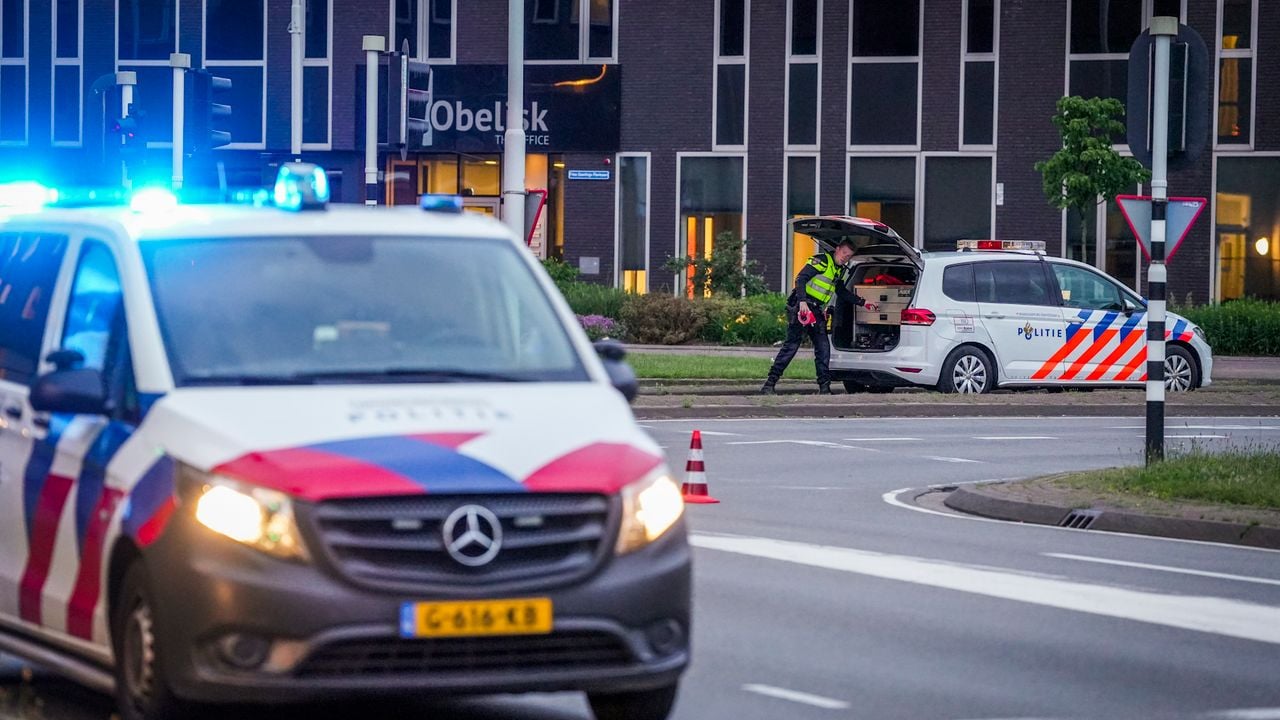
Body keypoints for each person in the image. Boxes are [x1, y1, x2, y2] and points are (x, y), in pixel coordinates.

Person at [761, 239, 877, 395]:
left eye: (848, 256)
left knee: (823, 348)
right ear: (837, 249)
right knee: (791, 346)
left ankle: (824, 388)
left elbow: (841, 291)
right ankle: (769, 384)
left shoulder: (839, 269)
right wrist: (802, 302)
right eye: (844, 253)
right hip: (802, 306)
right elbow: (800, 279)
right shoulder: (822, 261)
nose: (845, 258)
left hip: (816, 310)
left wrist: (863, 302)